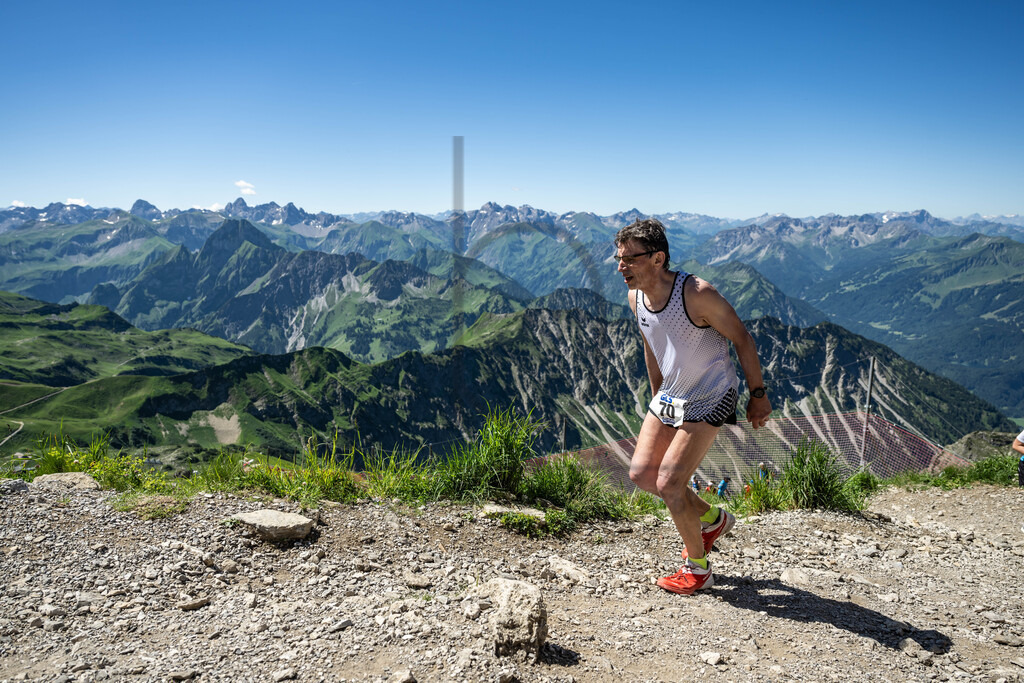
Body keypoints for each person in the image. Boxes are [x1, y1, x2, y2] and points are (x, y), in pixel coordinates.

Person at [616, 218, 772, 595]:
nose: (621, 267)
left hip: (711, 396)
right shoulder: (635, 297)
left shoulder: (698, 294)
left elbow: (742, 339)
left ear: (658, 258)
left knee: (670, 484)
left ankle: (698, 567)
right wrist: (658, 396)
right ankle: (713, 519)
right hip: (672, 395)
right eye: (618, 259)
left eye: (630, 259)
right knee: (642, 475)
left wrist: (758, 394)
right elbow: (652, 345)